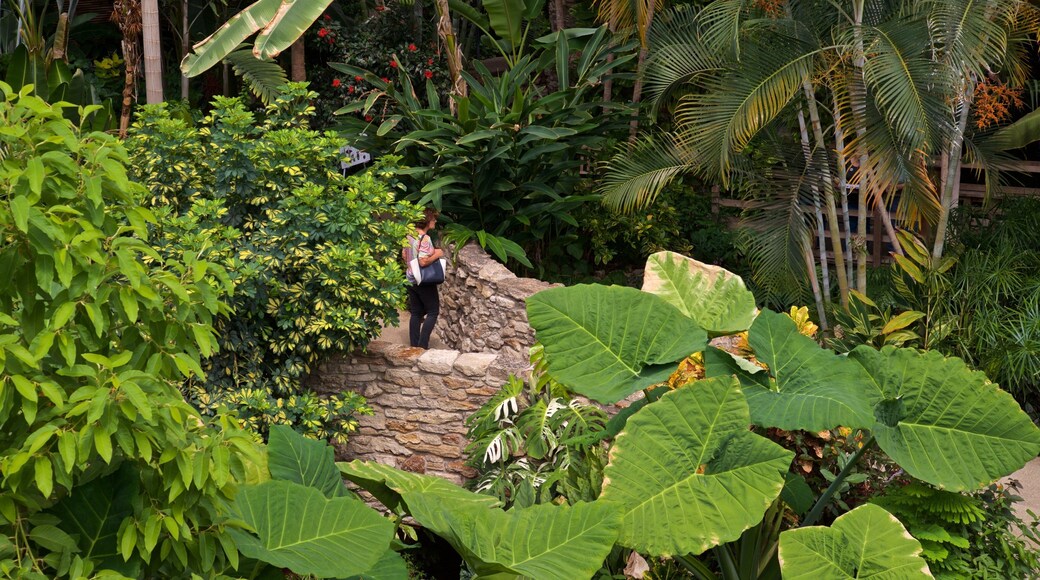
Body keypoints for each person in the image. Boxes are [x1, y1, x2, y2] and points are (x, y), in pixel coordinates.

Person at [403, 208, 445, 348]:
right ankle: (422, 346)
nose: (435, 221)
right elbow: (423, 261)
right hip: (424, 281)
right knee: (433, 312)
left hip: (410, 278)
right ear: (427, 221)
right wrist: (438, 254)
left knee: (416, 312)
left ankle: (414, 345)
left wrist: (410, 266)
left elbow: (404, 255)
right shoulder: (424, 238)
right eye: (433, 219)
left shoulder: (409, 236)